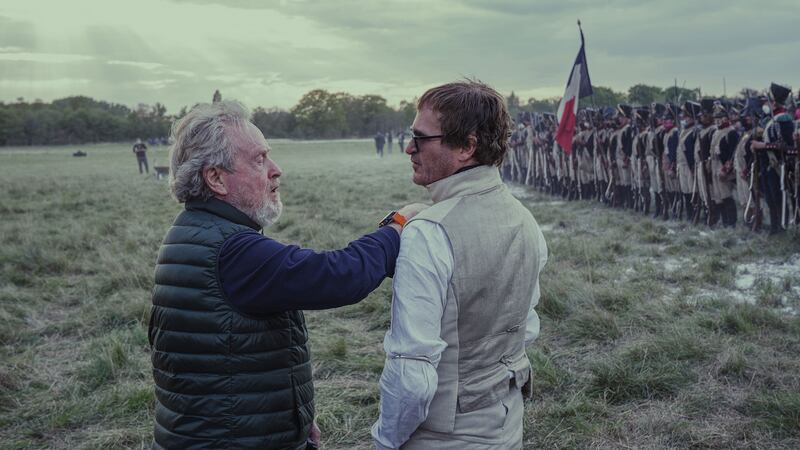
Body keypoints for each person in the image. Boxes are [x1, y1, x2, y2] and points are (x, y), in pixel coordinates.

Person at [148, 100, 426, 450]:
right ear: (215, 178)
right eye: (259, 159)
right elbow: (339, 276)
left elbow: (227, 362)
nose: (276, 170)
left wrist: (291, 423)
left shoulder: (194, 230)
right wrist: (397, 227)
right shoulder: (232, 251)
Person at [371, 80, 548, 449]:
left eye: (421, 138)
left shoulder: (428, 234)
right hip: (506, 427)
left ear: (467, 147)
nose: (408, 148)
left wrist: (386, 440)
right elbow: (525, 329)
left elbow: (410, 373)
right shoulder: (525, 219)